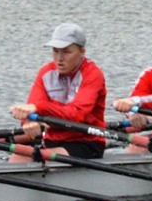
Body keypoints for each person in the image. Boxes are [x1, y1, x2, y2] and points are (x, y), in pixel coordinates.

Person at [9, 22, 107, 160]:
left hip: (86, 141)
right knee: (17, 157)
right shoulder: (45, 73)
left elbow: (76, 114)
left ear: (82, 52)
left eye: (67, 52)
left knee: (35, 157)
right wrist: (28, 122)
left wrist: (38, 108)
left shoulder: (93, 74)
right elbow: (31, 108)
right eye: (55, 51)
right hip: (51, 140)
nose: (59, 58)